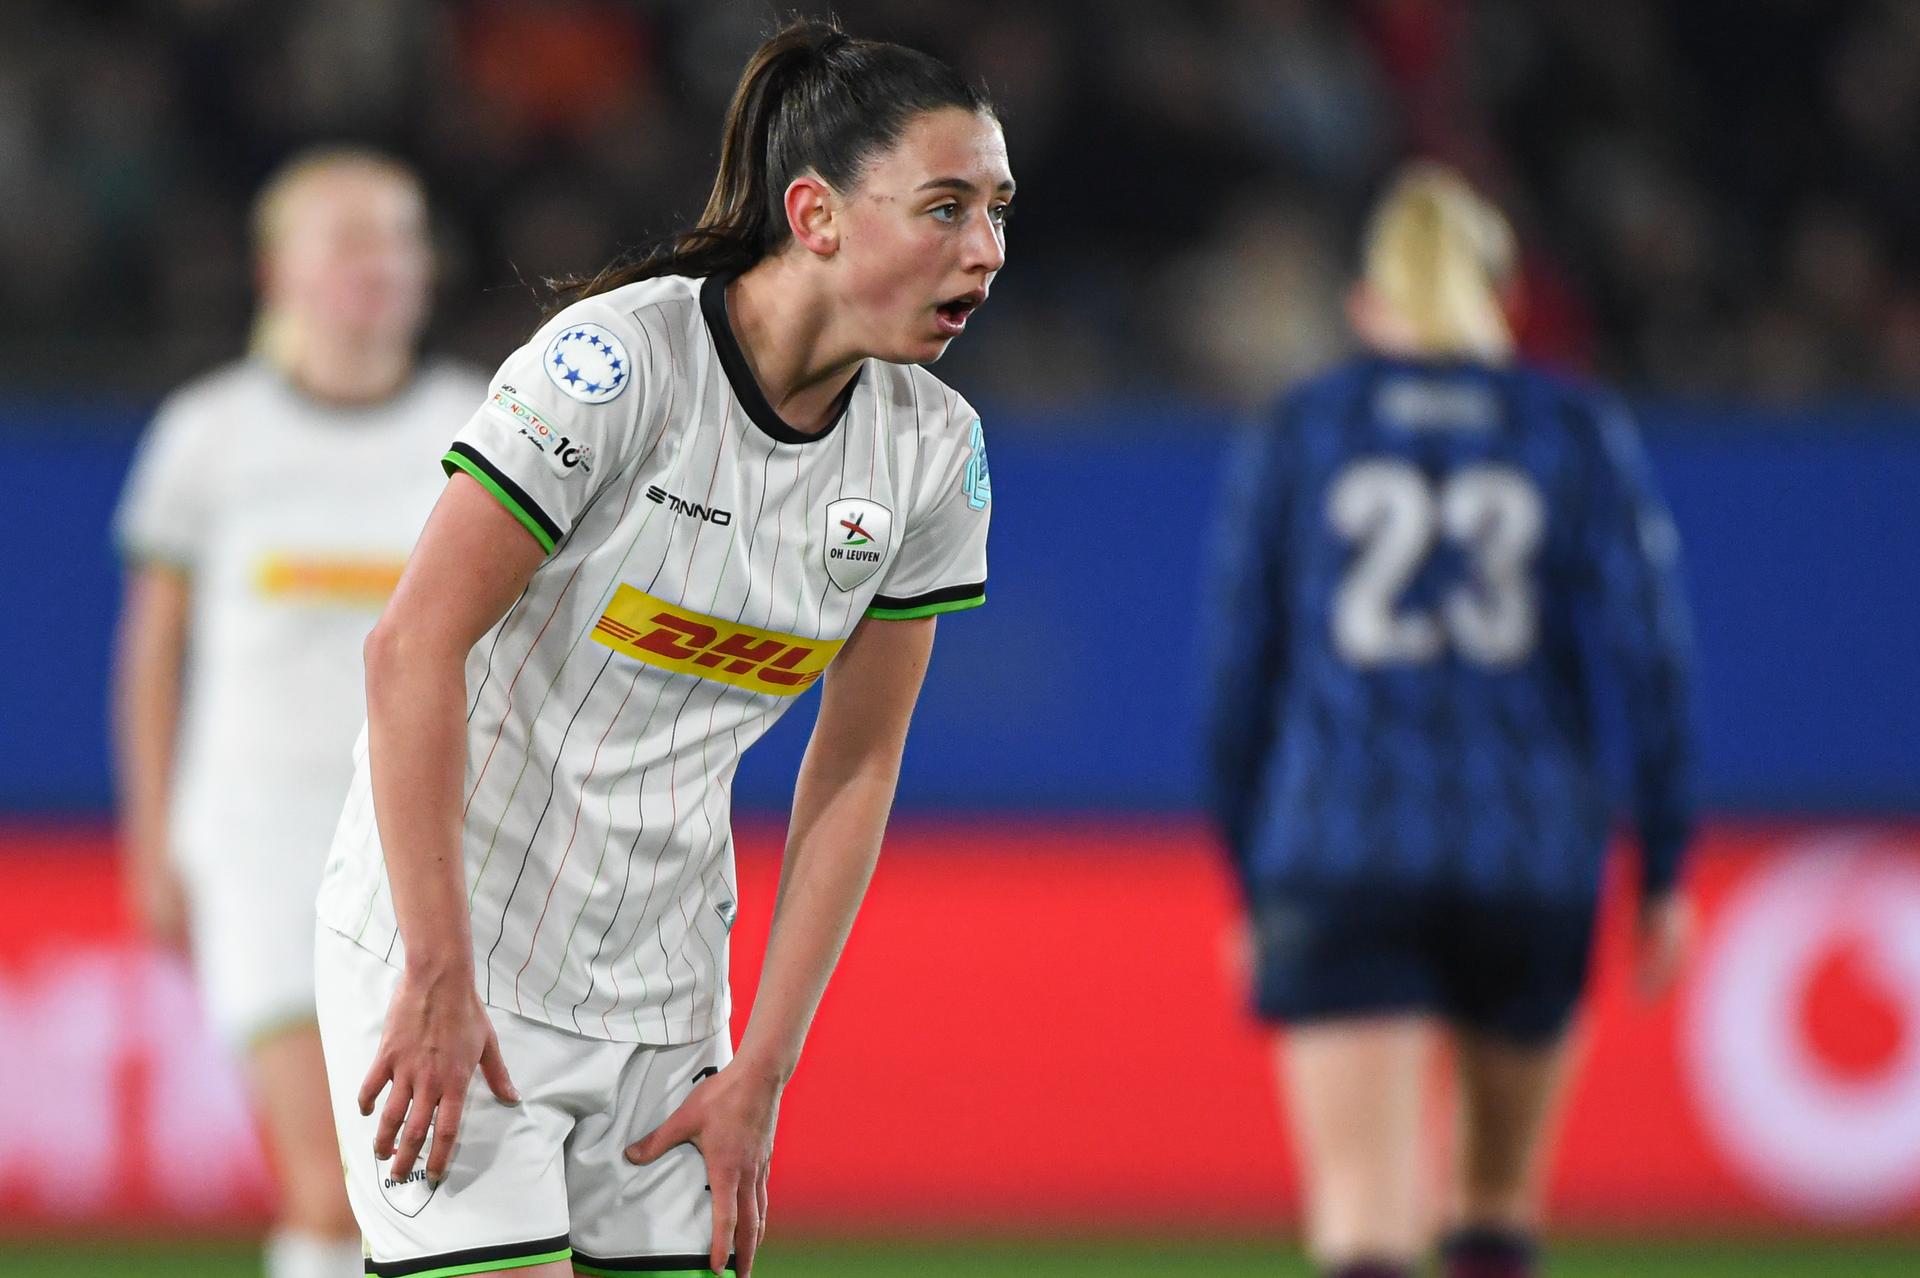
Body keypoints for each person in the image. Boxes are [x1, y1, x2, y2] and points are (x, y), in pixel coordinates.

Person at [310, 18, 1009, 1278]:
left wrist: (764, 1068)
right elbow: (409, 649)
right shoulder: (619, 365)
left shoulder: (932, 456)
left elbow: (854, 772)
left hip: (665, 996)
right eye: (947, 208)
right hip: (461, 958)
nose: (986, 251)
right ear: (817, 214)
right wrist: (435, 974)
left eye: (998, 212)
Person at [1203, 162, 1695, 1278]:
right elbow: (1650, 661)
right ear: (1502, 297)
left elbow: (1240, 677)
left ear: (1370, 301)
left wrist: (1248, 874)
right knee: (1492, 1212)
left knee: (1365, 1212)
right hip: (1526, 849)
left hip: (1342, 844)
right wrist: (1662, 867)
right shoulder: (1572, 429)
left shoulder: (1306, 431)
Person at [113, 149, 482, 1278]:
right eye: (348, 240)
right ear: (281, 272)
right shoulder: (209, 435)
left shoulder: (485, 424)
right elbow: (155, 654)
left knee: (436, 1192)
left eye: (399, 238)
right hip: (261, 842)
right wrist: (153, 834)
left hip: (427, 847)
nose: (379, 265)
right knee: (333, 1185)